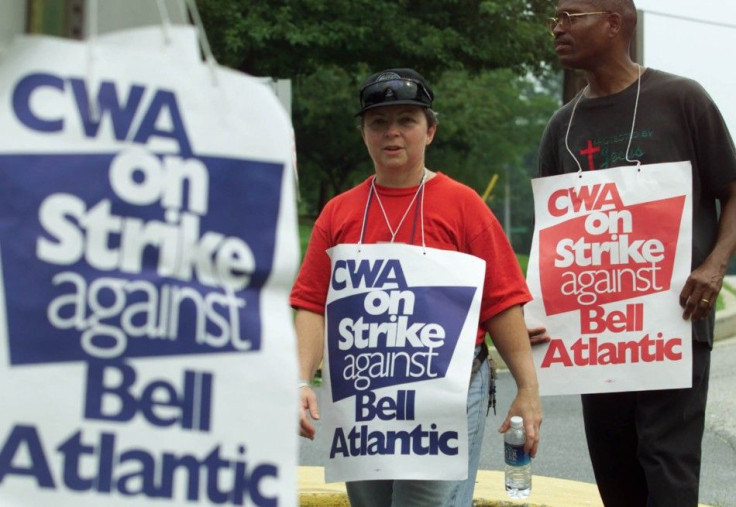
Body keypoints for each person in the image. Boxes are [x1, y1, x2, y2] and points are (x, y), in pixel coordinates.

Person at [290, 68, 542, 506]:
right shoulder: (338, 214)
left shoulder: (464, 206)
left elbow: (502, 301)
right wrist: (298, 382)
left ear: (430, 131)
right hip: (363, 400)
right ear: (363, 134)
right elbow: (312, 304)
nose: (392, 133)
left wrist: (528, 390)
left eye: (407, 120)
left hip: (448, 393)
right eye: (378, 122)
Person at [538, 1, 736, 505]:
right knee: (616, 476)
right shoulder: (562, 125)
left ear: (613, 22)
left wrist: (714, 266)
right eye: (554, 17)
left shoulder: (681, 99)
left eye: (570, 14)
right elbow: (553, 234)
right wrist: (538, 308)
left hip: (671, 326)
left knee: (667, 472)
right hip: (596, 336)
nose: (557, 26)